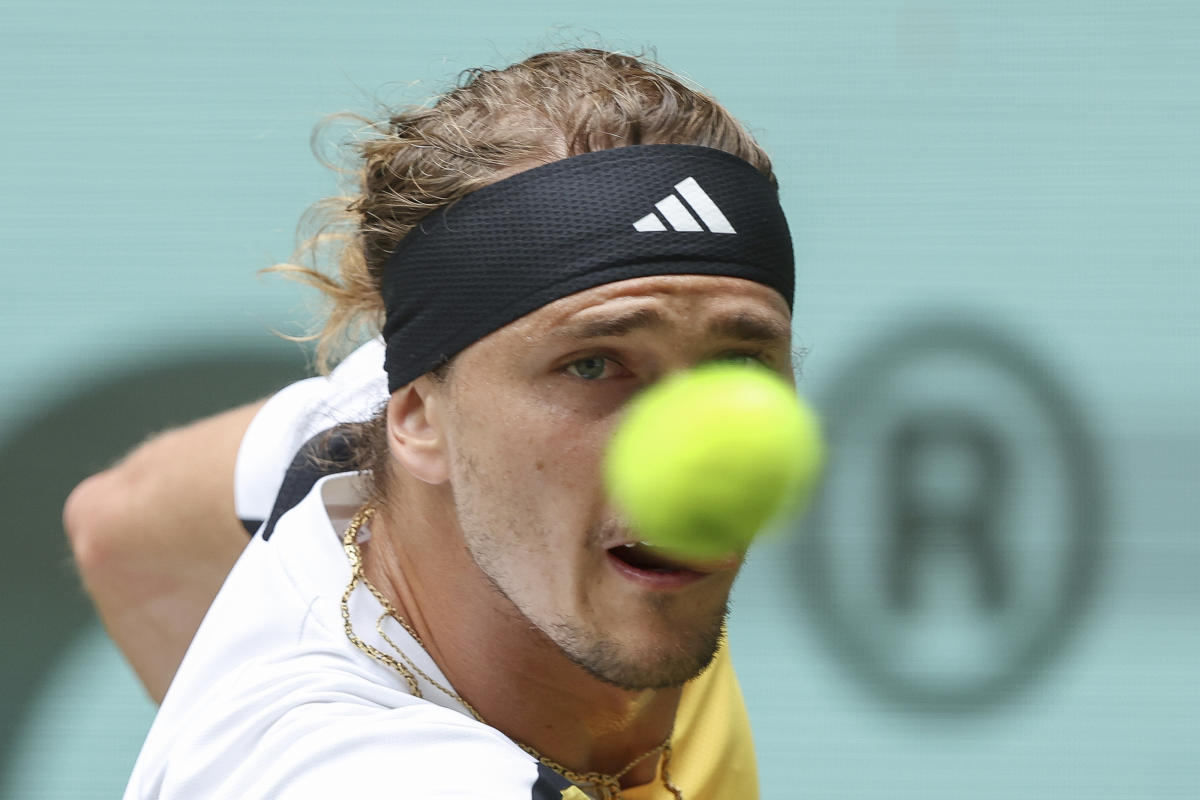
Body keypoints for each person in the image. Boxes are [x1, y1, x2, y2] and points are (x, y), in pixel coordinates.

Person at [67, 49, 797, 799]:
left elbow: (119, 526)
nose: (691, 451)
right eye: (593, 367)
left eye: (738, 364)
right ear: (417, 418)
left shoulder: (379, 422)